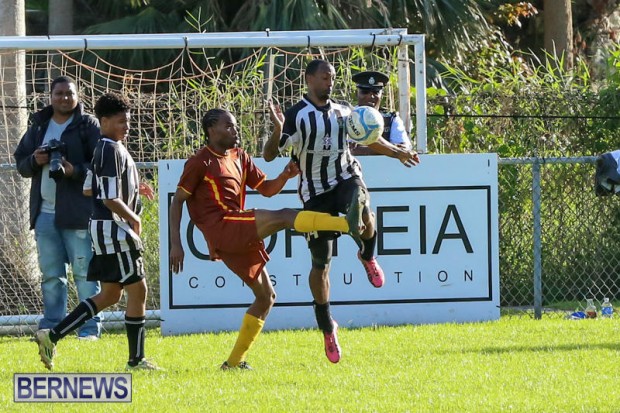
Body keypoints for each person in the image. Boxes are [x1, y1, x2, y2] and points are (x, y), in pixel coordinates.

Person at [168, 108, 365, 370]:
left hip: (236, 230)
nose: (235, 130)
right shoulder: (199, 162)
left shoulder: (240, 156)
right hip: (221, 227)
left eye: (235, 125)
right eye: (228, 126)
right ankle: (346, 224)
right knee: (284, 216)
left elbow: (267, 190)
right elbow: (177, 201)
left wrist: (284, 175)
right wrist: (176, 244)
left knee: (266, 297)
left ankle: (233, 363)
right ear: (211, 130)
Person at [263, 59, 420, 364]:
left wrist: (398, 153)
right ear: (309, 79)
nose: (330, 82)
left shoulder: (345, 111)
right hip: (315, 194)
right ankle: (327, 326)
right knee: (321, 265)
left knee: (361, 205)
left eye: (333, 77)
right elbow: (269, 155)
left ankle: (367, 255)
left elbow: (371, 137)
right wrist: (278, 130)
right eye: (325, 77)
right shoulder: (296, 115)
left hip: (345, 177)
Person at [34, 92, 160, 371]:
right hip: (116, 230)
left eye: (128, 121)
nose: (127, 126)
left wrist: (133, 188)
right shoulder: (110, 150)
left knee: (111, 295)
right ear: (104, 122)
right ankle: (136, 360)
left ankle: (51, 335)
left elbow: (89, 188)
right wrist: (133, 218)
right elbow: (108, 198)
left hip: (105, 231)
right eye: (121, 121)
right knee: (138, 290)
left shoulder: (105, 148)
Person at [14, 75, 102, 340]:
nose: (64, 98)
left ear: (78, 96)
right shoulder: (39, 125)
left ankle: (89, 329)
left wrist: (74, 171)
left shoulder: (88, 125)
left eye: (69, 93)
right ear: (50, 97)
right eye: (59, 93)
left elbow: (100, 164)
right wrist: (35, 159)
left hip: (78, 213)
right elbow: (21, 163)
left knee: (85, 274)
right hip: (44, 214)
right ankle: (52, 327)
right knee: (51, 275)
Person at [349, 70, 413, 156]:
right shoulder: (347, 116)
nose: (370, 96)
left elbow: (404, 149)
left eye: (375, 92)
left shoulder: (391, 119)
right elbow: (346, 150)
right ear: (357, 93)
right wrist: (389, 149)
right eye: (365, 92)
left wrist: (362, 150)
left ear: (381, 95)